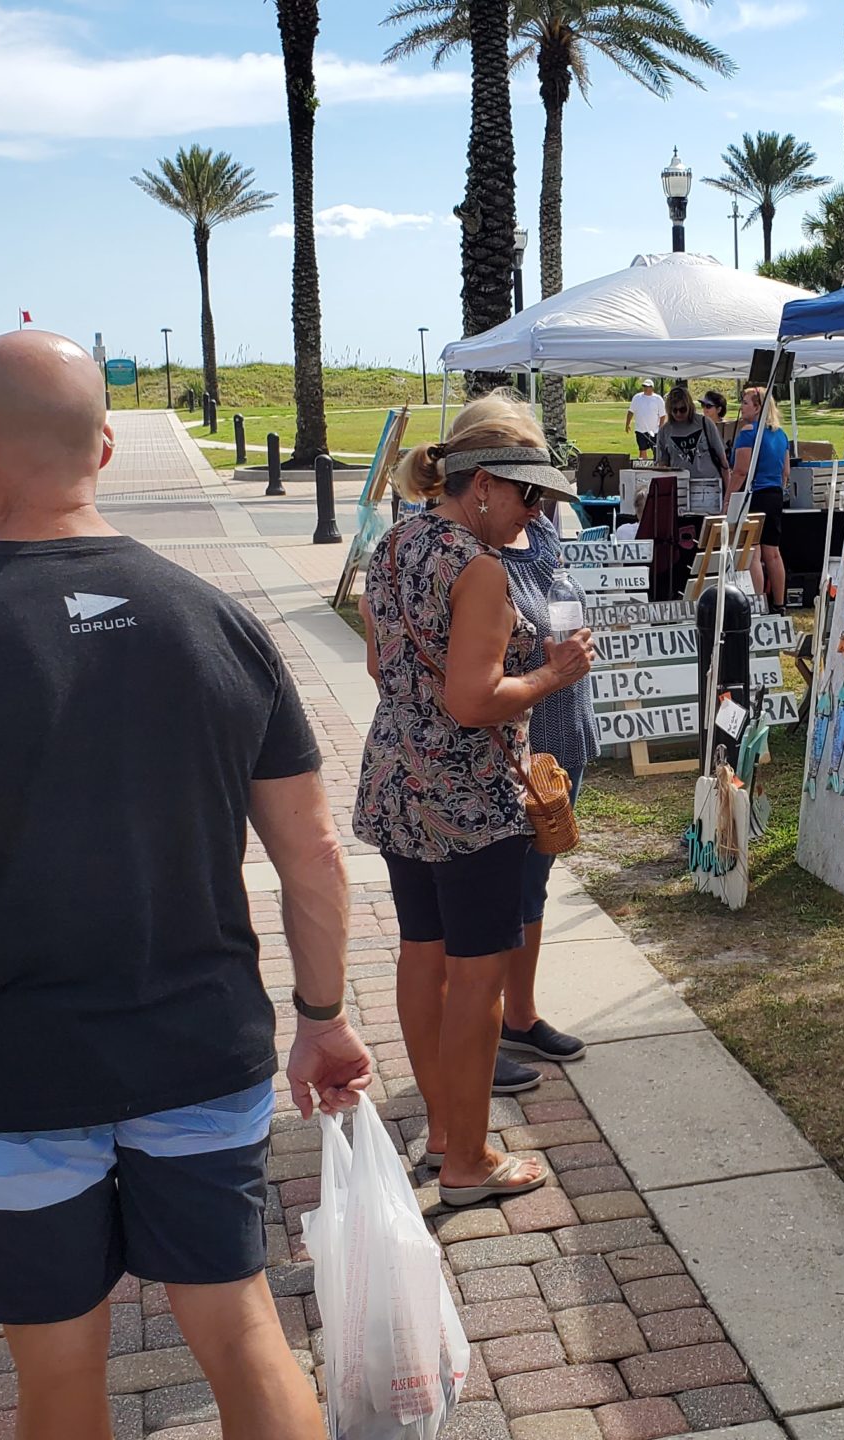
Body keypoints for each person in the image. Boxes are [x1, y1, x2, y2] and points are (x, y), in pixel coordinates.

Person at [0, 331, 369, 1439]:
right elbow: (311, 854)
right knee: (242, 1333)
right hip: (199, 1049)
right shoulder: (219, 622)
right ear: (106, 444)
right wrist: (322, 1016)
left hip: (18, 1075)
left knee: (60, 1375)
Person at [355, 393, 593, 1206]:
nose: (535, 514)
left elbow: (382, 666)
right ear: (483, 483)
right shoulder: (479, 567)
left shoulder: (396, 543)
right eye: (529, 496)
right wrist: (550, 676)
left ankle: (445, 1130)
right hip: (469, 796)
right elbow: (475, 700)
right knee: (478, 977)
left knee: (423, 955)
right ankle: (465, 1158)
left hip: (397, 781)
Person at [493, 503, 595, 1074]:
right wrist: (548, 664)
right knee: (501, 888)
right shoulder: (467, 551)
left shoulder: (542, 532)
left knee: (533, 881)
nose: (538, 500)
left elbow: (559, 610)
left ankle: (519, 1016)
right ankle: (492, 1026)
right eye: (528, 485)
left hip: (561, 729)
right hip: (516, 739)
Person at [728, 386, 791, 608]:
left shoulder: (748, 432)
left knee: (753, 551)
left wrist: (728, 499)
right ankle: (780, 603)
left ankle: (758, 603)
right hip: (774, 494)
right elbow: (786, 472)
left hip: (755, 494)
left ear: (757, 407)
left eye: (745, 402)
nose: (741, 407)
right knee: (773, 552)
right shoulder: (781, 434)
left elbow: (740, 471)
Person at [655, 386, 729, 487]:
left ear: (689, 406)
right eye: (674, 410)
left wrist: (728, 494)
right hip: (680, 487)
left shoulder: (705, 423)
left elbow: (723, 461)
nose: (678, 413)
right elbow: (662, 464)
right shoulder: (664, 431)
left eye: (682, 409)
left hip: (709, 485)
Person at [625, 379, 667, 460]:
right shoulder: (637, 398)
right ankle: (643, 467)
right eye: (644, 386)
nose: (646, 388)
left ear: (652, 388)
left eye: (648, 386)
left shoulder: (658, 399)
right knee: (642, 450)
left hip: (654, 431)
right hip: (640, 430)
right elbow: (631, 411)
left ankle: (657, 467)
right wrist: (627, 424)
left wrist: (660, 427)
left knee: (657, 451)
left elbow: (662, 415)